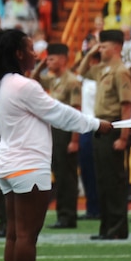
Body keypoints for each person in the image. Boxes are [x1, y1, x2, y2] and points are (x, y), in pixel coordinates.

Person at [0, 29, 111, 261]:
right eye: (31, 49)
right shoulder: (24, 85)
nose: (36, 55)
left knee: (14, 235)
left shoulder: (3, 83)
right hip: (28, 165)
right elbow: (60, 114)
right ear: (19, 54)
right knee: (26, 237)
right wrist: (97, 125)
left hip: (8, 164)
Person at [77, 29, 131, 240]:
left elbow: (126, 106)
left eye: (104, 46)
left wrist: (124, 137)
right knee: (102, 180)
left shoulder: (120, 71)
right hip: (100, 127)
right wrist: (92, 50)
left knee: (114, 181)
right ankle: (106, 227)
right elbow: (81, 71)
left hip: (114, 128)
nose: (100, 49)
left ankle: (117, 228)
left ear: (117, 47)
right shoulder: (102, 69)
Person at [38, 44, 83, 229]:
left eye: (52, 59)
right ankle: (62, 214)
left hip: (66, 131)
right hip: (54, 131)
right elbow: (32, 81)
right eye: (47, 59)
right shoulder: (54, 80)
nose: (48, 62)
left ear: (64, 59)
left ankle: (68, 216)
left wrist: (74, 140)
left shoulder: (71, 81)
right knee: (58, 173)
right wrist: (41, 66)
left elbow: (76, 112)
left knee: (67, 176)